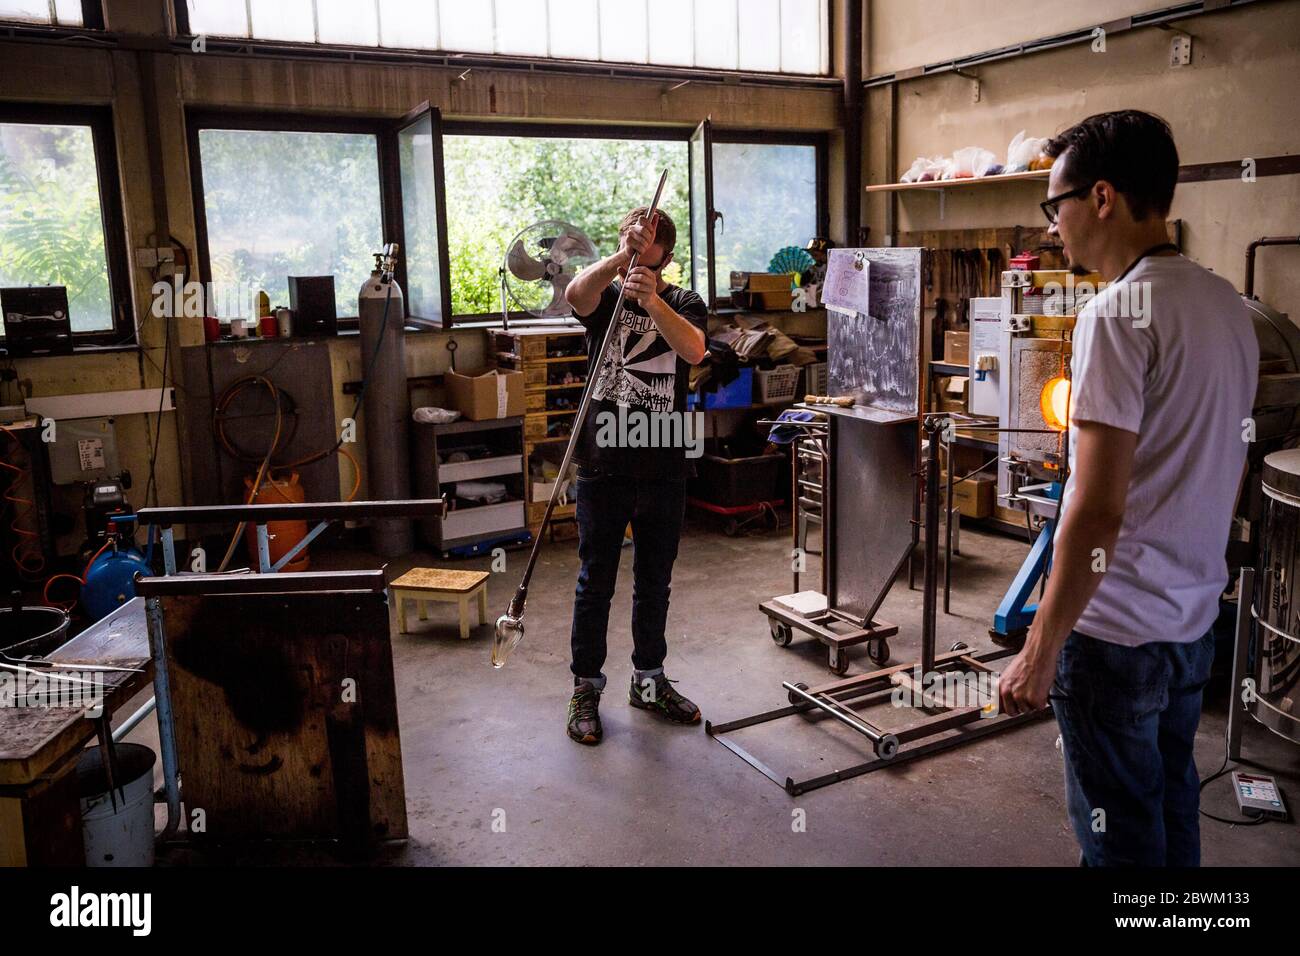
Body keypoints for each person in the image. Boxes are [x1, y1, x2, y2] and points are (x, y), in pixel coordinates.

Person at [996, 110, 1259, 865]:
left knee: (1120, 844)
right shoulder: (1227, 306)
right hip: (1190, 623)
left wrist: (1041, 647)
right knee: (1173, 812)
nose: (1053, 229)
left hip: (1115, 635)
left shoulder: (1114, 314)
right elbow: (1226, 465)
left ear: (1103, 197)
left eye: (1057, 205)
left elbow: (1099, 504)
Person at [560, 206, 708, 745]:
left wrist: (651, 300)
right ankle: (585, 688)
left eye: (645, 254)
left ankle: (649, 680)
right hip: (605, 459)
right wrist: (621, 259)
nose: (635, 265)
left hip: (666, 458)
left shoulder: (685, 302)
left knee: (654, 579)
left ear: (666, 256)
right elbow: (575, 294)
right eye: (629, 248)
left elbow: (694, 349)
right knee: (594, 578)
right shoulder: (606, 295)